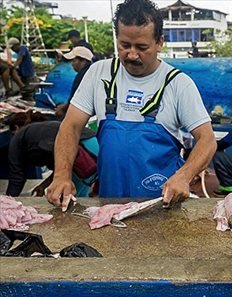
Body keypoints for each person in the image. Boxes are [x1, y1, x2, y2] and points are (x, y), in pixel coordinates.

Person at [46, 0, 216, 210]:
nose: (132, 55)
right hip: (109, 204)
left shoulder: (178, 83)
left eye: (142, 47)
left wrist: (184, 176)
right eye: (124, 45)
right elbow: (70, 126)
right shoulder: (99, 73)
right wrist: (62, 175)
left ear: (159, 42)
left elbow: (207, 139)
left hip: (162, 204)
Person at [5, 112, 98, 198]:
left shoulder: (17, 138)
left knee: (72, 199)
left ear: (16, 127)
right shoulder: (40, 131)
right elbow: (60, 169)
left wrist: (8, 203)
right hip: (96, 143)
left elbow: (16, 178)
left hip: (82, 150)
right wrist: (44, 185)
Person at [55, 46, 94, 117]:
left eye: (74, 61)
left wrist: (63, 110)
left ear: (83, 61)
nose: (72, 64)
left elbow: (74, 100)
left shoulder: (82, 75)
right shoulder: (91, 71)